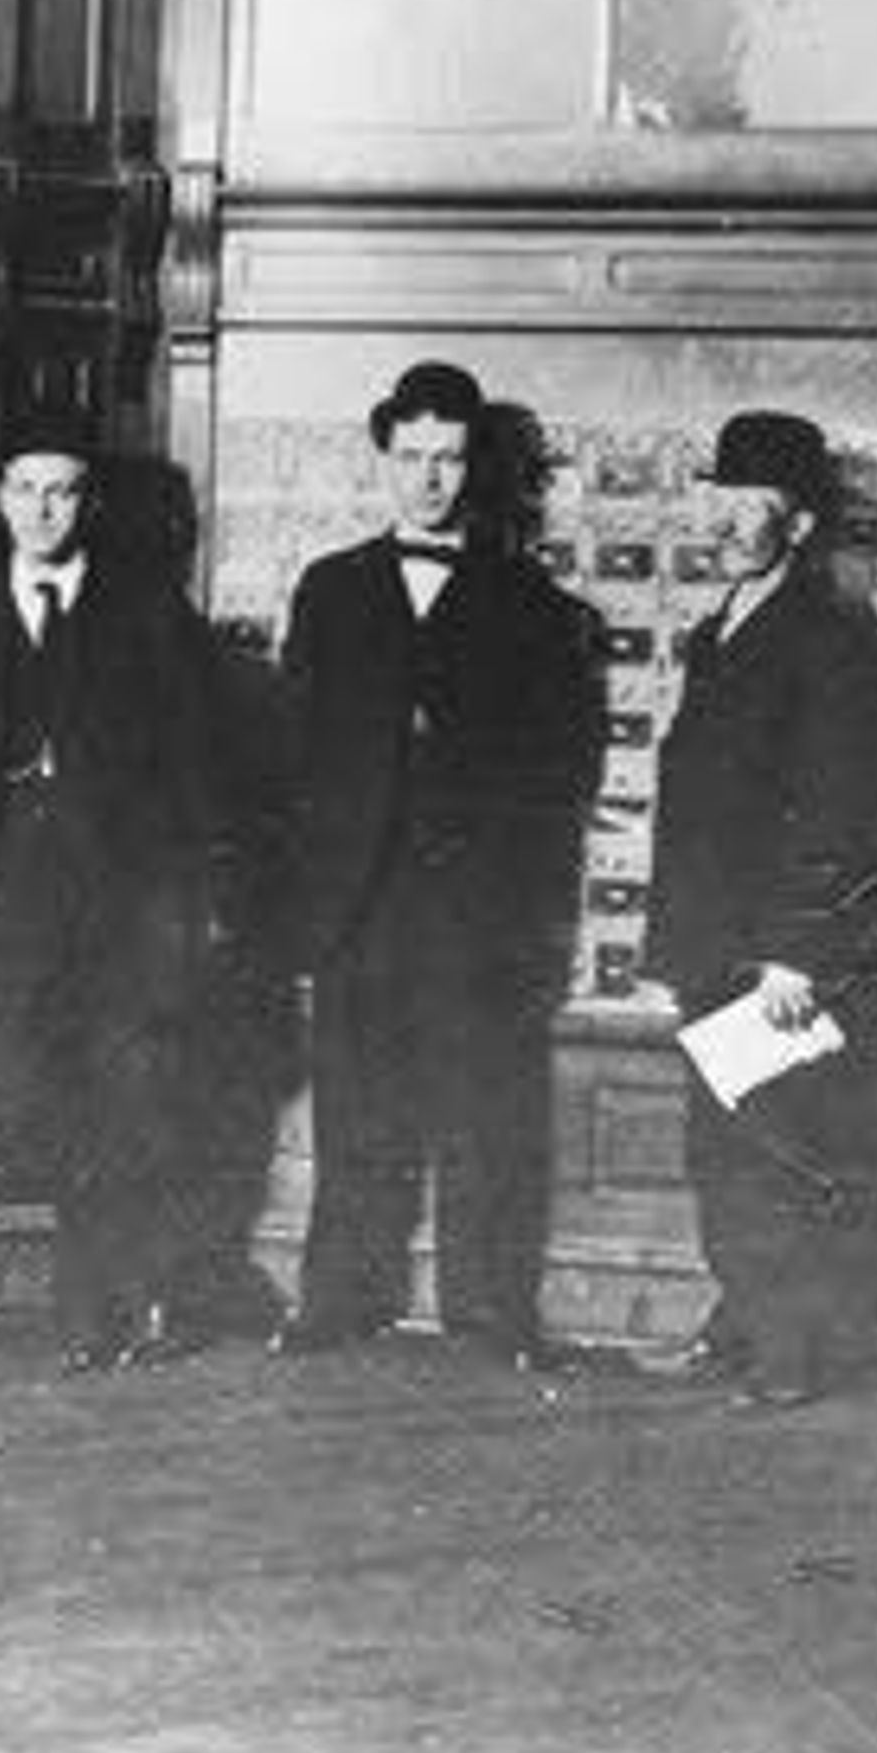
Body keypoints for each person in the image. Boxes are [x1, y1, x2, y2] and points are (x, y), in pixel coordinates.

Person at [271, 362, 603, 1365]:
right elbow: (296, 753)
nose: (430, 481)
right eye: (412, 458)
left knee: (487, 1114)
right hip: (359, 906)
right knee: (356, 1112)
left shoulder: (536, 606)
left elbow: (561, 777)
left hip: (478, 916)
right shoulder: (331, 591)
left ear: (476, 467)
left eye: (450, 460)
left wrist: (530, 917)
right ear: (384, 460)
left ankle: (494, 1308)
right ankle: (339, 1298)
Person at [0, 410, 235, 1373]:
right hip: (0, 904)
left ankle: (100, 1301)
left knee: (125, 1091)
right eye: (25, 489)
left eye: (63, 491)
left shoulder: (152, 620)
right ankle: (133, 1275)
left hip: (122, 907)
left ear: (87, 503)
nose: (43, 509)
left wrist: (189, 905)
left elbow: (196, 770)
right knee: (21, 1093)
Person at [648, 409, 877, 1409]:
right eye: (713, 501)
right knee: (729, 1145)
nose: (721, 523)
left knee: (771, 1145)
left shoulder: (832, 637)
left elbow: (840, 805)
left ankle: (789, 1354)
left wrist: (797, 949)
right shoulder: (727, 624)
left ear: (799, 527)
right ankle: (746, 1328)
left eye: (747, 507)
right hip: (715, 943)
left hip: (772, 954)